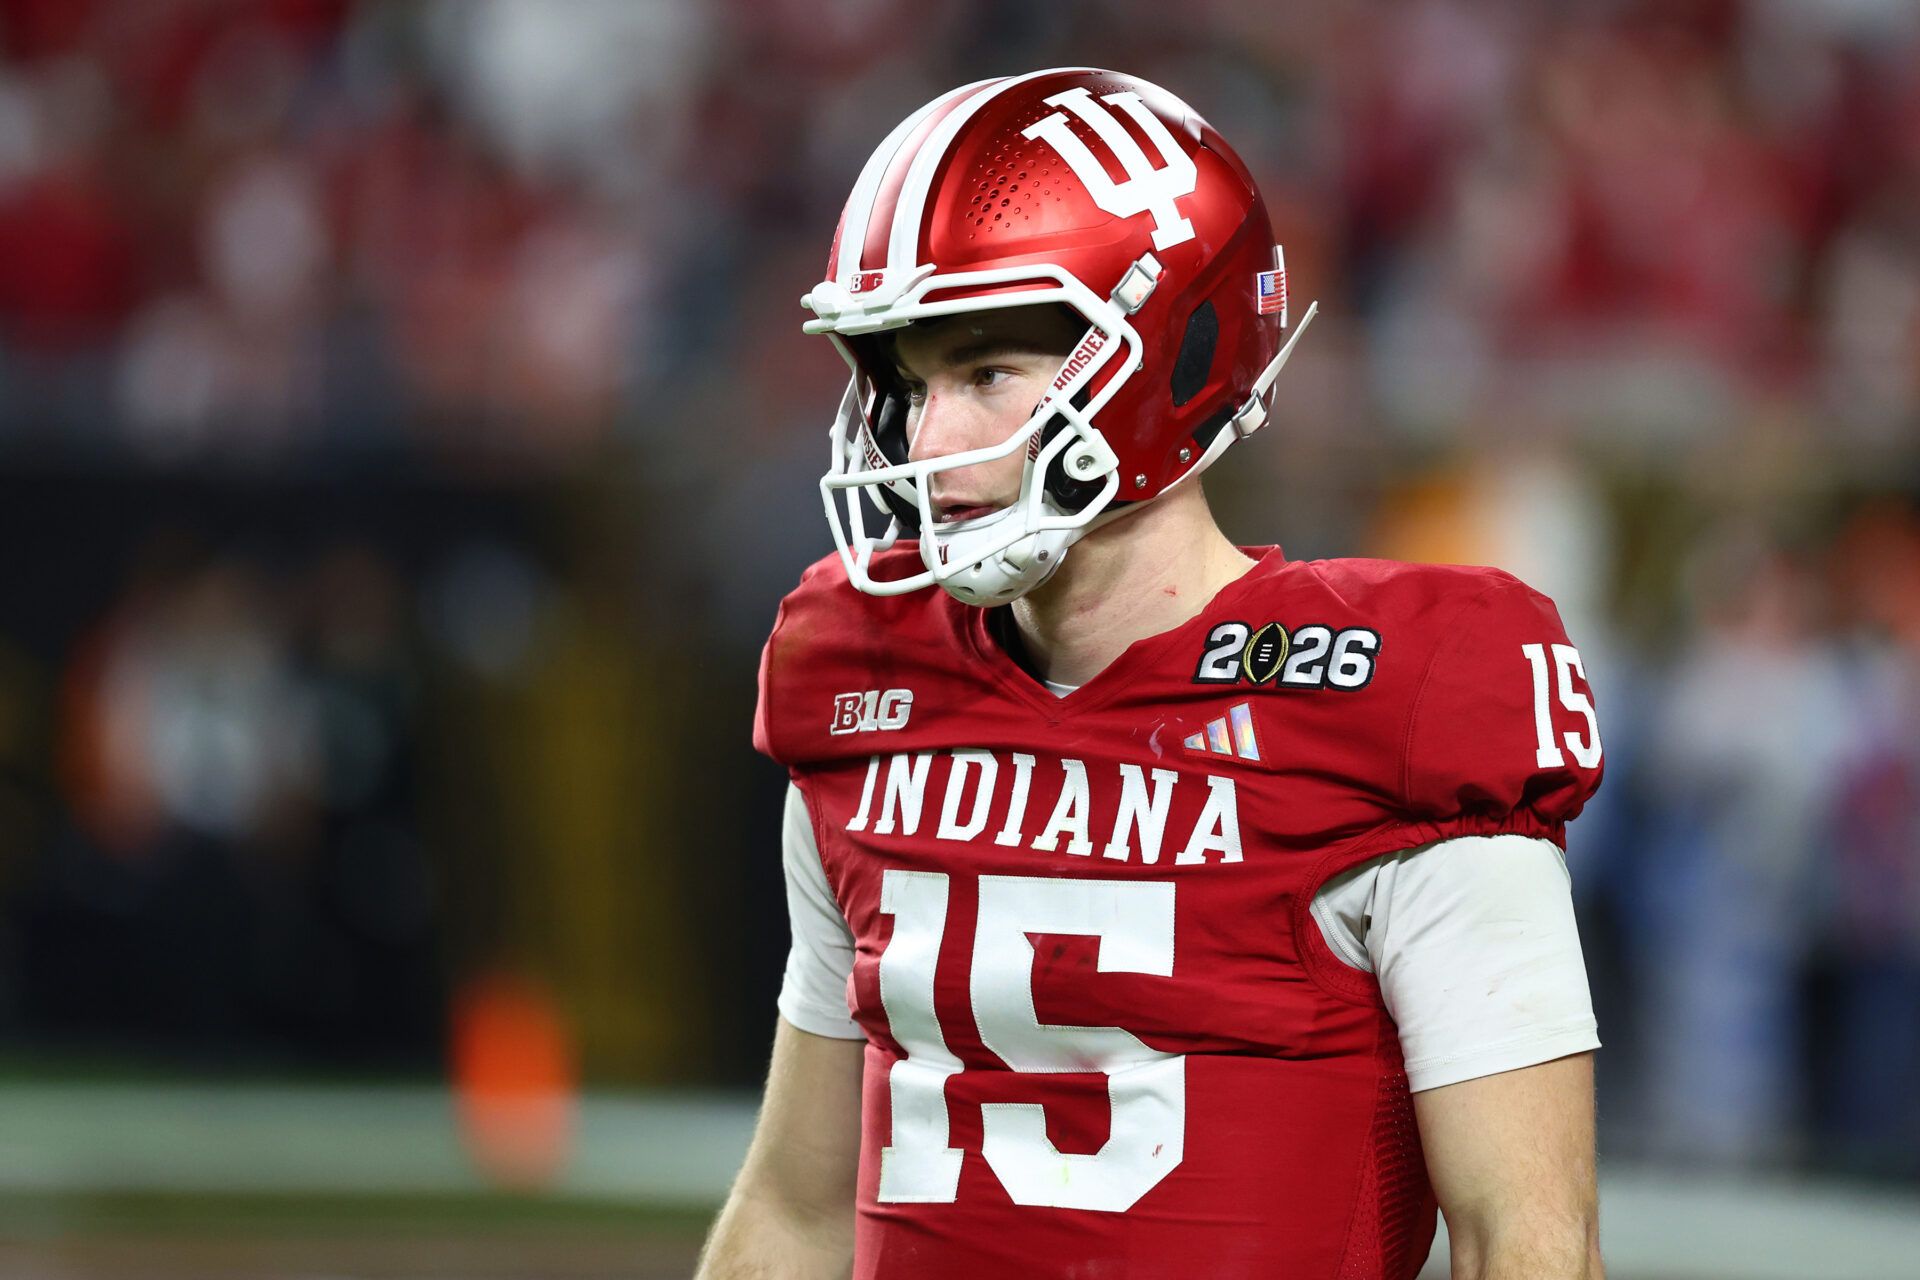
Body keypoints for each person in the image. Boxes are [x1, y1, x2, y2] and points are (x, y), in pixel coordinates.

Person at [697, 68, 1606, 1280]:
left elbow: (1526, 1247)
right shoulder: (861, 682)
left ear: (1167, 356)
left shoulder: (1398, 701)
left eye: (987, 374)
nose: (928, 442)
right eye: (911, 384)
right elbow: (799, 1212)